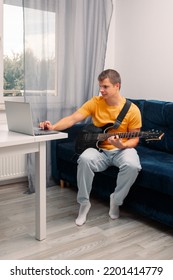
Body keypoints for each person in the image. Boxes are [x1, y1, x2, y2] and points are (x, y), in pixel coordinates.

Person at [39, 69, 142, 226]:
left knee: (133, 165)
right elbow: (73, 118)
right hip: (98, 149)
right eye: (100, 86)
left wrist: (122, 144)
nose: (101, 90)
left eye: (105, 86)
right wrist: (53, 127)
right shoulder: (95, 102)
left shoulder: (132, 109)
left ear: (117, 86)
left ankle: (116, 200)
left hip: (122, 150)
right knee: (85, 159)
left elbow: (134, 140)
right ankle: (84, 203)